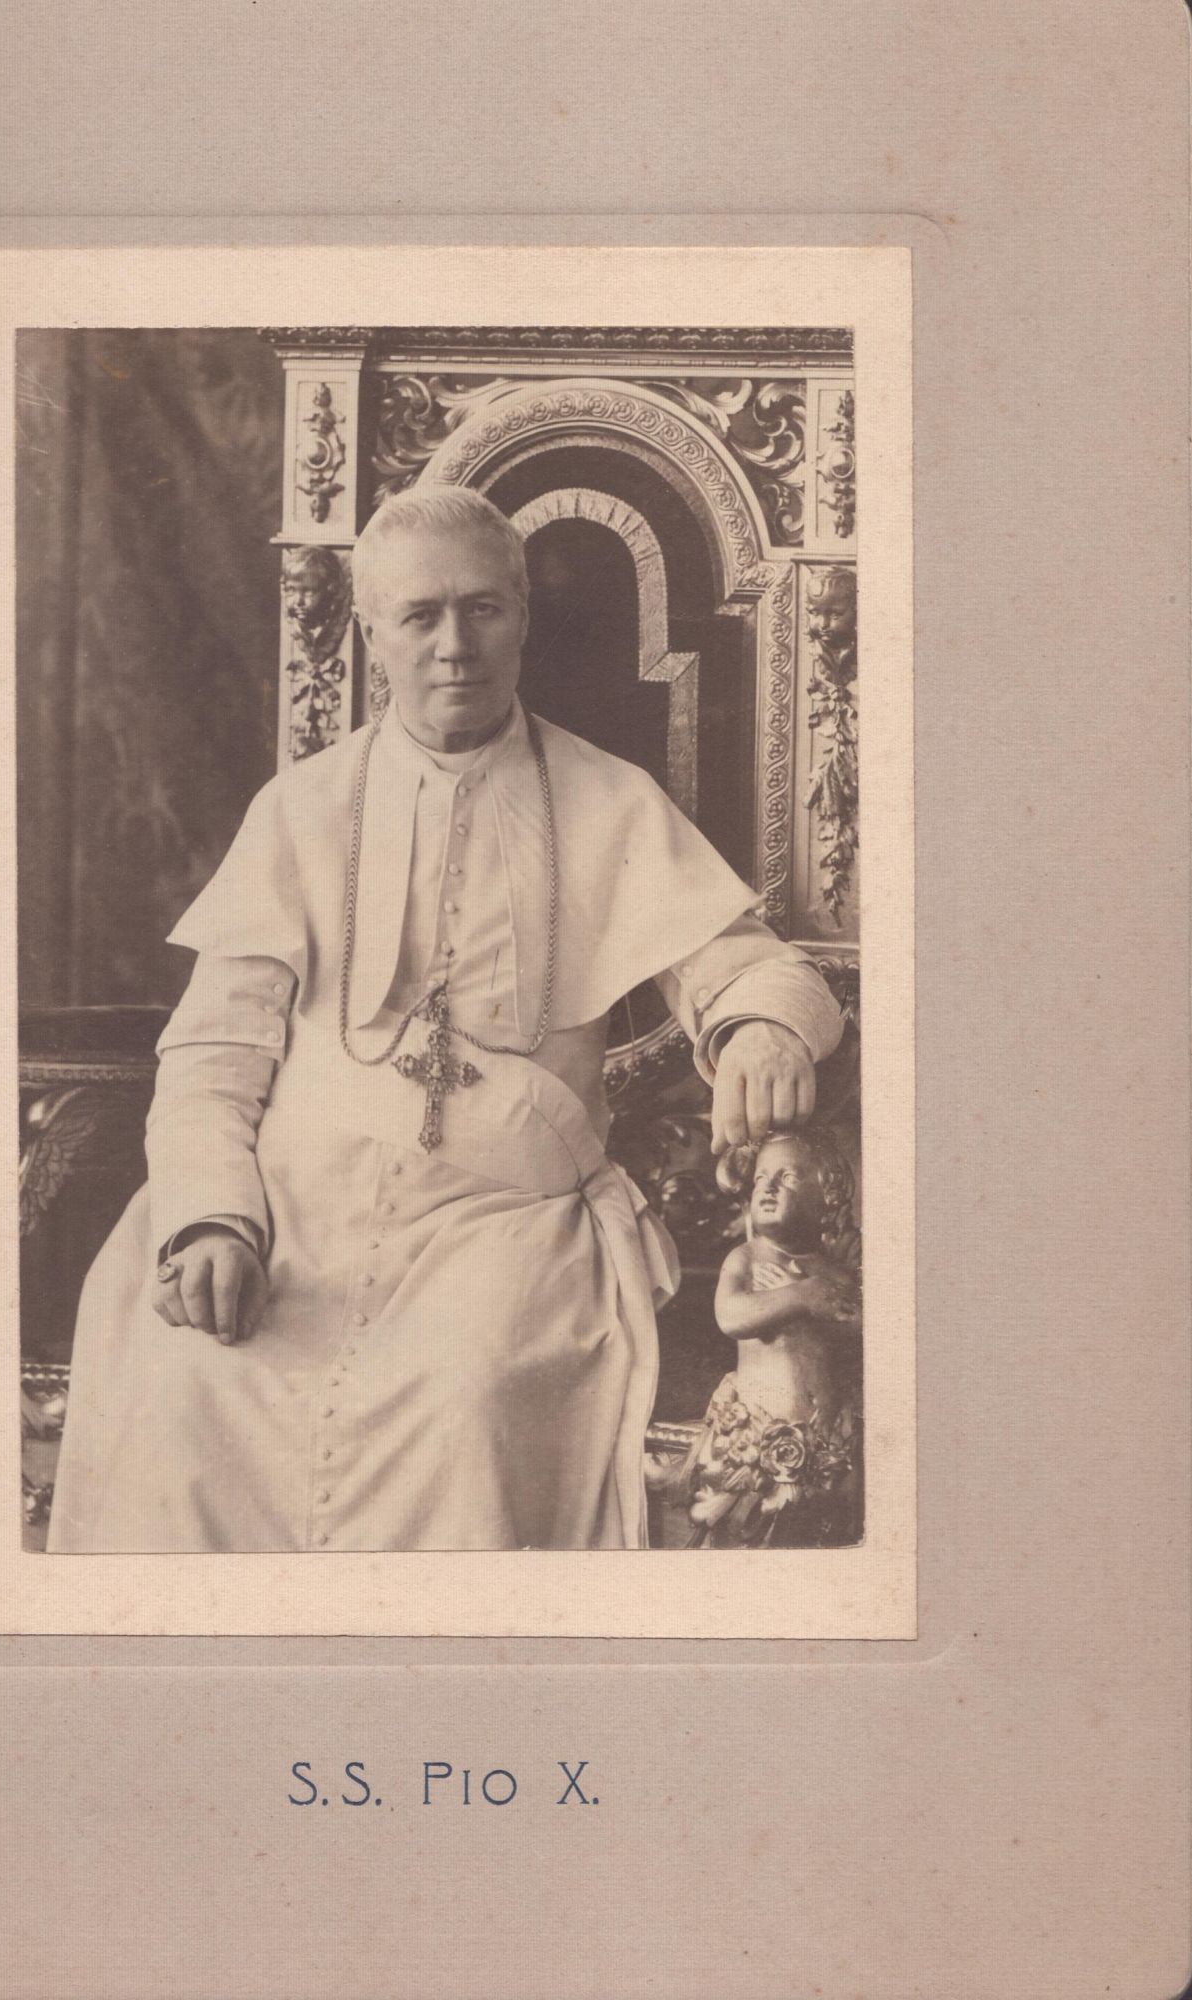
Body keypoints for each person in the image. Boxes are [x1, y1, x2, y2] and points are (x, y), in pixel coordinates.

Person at [48, 487, 844, 1553]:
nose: (454, 646)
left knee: (465, 1405)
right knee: (184, 1386)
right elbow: (211, 1056)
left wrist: (759, 1028)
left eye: (482, 609)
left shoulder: (607, 800)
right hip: (289, 1207)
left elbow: (751, 968)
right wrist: (209, 1217)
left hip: (500, 1220)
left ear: (522, 616)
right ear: (370, 631)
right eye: (419, 616)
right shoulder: (300, 809)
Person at [666, 1127, 862, 1549]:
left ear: (826, 1199)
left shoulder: (835, 1272)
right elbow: (731, 1316)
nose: (768, 1187)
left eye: (787, 1177)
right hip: (753, 1439)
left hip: (826, 1441)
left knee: (819, 1535)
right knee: (743, 1531)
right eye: (760, 1178)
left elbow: (858, 1330)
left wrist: (824, 1301)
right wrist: (800, 1296)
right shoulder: (747, 1259)